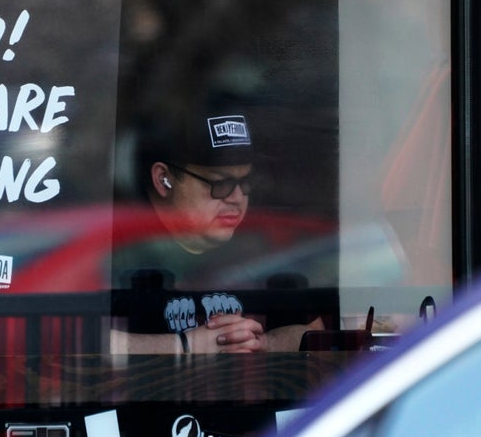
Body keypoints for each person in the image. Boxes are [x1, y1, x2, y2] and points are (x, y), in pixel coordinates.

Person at [111, 110, 324, 353]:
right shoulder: (119, 254)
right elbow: (75, 341)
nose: (237, 197)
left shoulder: (267, 254)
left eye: (245, 183)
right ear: (164, 180)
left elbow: (317, 338)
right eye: (219, 184)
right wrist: (185, 345)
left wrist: (263, 342)